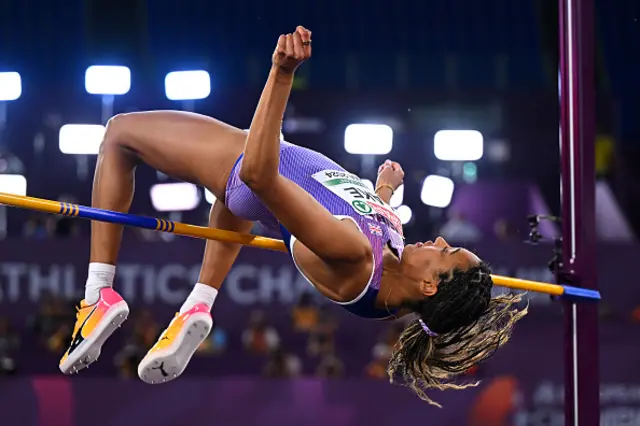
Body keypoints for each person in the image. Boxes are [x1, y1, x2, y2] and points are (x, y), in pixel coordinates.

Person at [59, 26, 526, 406]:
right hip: (255, 183)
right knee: (231, 198)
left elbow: (263, 178)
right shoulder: (393, 268)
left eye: (446, 255)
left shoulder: (355, 256)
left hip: (253, 165)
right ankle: (197, 306)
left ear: (430, 286)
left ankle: (98, 292)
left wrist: (281, 74)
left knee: (120, 135)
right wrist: (383, 189)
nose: (440, 243)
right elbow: (368, 214)